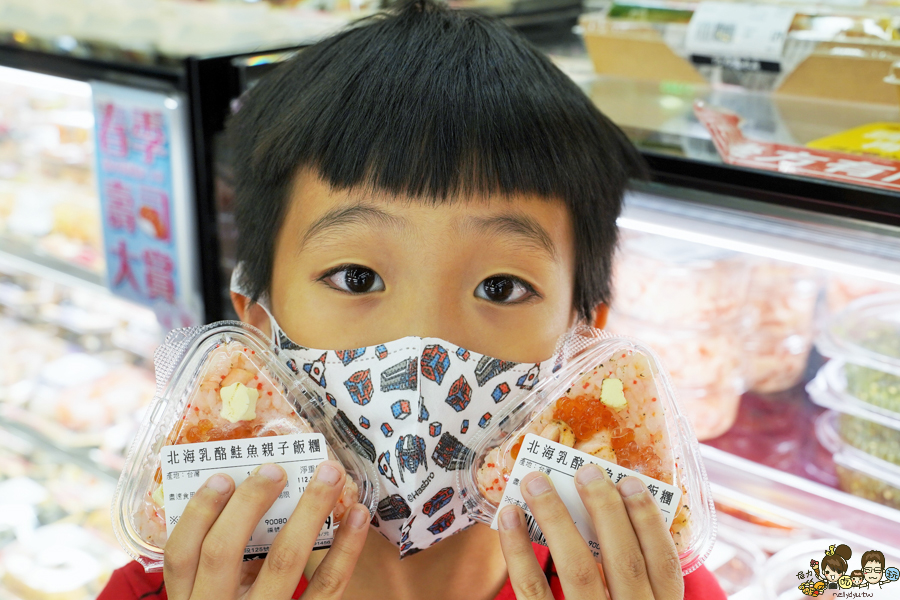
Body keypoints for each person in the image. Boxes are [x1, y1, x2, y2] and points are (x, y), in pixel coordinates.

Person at [99, 1, 727, 598]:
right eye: (355, 277)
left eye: (501, 287)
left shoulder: (652, 584)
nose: (423, 345)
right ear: (259, 328)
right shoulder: (159, 589)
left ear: (584, 348)